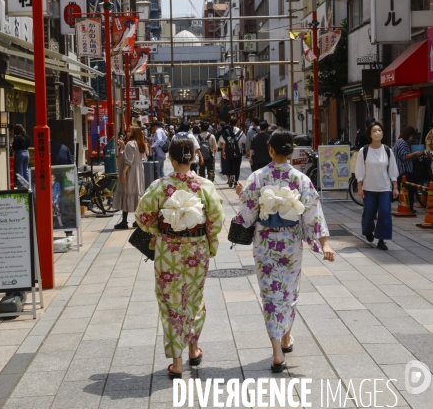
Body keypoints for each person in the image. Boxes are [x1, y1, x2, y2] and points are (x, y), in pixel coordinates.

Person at [235, 130, 334, 372]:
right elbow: (312, 212)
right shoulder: (301, 179)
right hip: (290, 243)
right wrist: (324, 243)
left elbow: (247, 215)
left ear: (270, 150)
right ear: (290, 151)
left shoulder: (257, 178)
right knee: (289, 290)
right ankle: (286, 338)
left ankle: (278, 351)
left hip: (265, 244)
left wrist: (242, 196)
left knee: (270, 295)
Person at [135, 136, 224, 379]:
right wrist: (210, 244)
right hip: (197, 250)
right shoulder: (204, 186)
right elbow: (216, 220)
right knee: (194, 298)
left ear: (171, 158)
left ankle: (177, 363)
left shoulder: (160, 186)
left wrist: (159, 231)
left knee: (171, 303)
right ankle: (194, 350)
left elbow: (142, 215)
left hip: (168, 251)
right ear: (194, 157)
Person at [356, 122, 399, 250]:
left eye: (380, 130)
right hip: (369, 188)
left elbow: (392, 170)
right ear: (370, 134)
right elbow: (360, 170)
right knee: (369, 213)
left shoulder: (387, 150)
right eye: (374, 130)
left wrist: (395, 186)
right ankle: (368, 230)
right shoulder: (364, 151)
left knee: (385, 213)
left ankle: (381, 239)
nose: (377, 132)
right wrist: (359, 186)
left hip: (385, 188)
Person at [113, 126, 148, 230]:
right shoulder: (140, 144)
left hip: (130, 172)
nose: (127, 133)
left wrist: (124, 172)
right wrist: (124, 147)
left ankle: (124, 221)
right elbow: (133, 156)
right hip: (138, 172)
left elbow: (128, 160)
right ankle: (137, 220)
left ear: (134, 133)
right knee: (137, 194)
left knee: (126, 192)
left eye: (129, 131)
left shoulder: (130, 144)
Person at [393, 126, 424, 216]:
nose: (412, 138)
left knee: (404, 190)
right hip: (404, 170)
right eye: (412, 135)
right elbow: (404, 156)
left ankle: (406, 207)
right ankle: (408, 208)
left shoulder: (398, 142)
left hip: (400, 170)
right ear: (409, 134)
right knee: (408, 190)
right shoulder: (402, 143)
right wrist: (416, 153)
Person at [220, 117, 246, 187]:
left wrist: (223, 152)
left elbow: (224, 142)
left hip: (229, 151)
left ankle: (231, 176)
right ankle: (236, 181)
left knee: (230, 165)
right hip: (238, 152)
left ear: (229, 123)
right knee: (237, 166)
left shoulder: (226, 131)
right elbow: (244, 141)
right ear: (236, 123)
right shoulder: (240, 131)